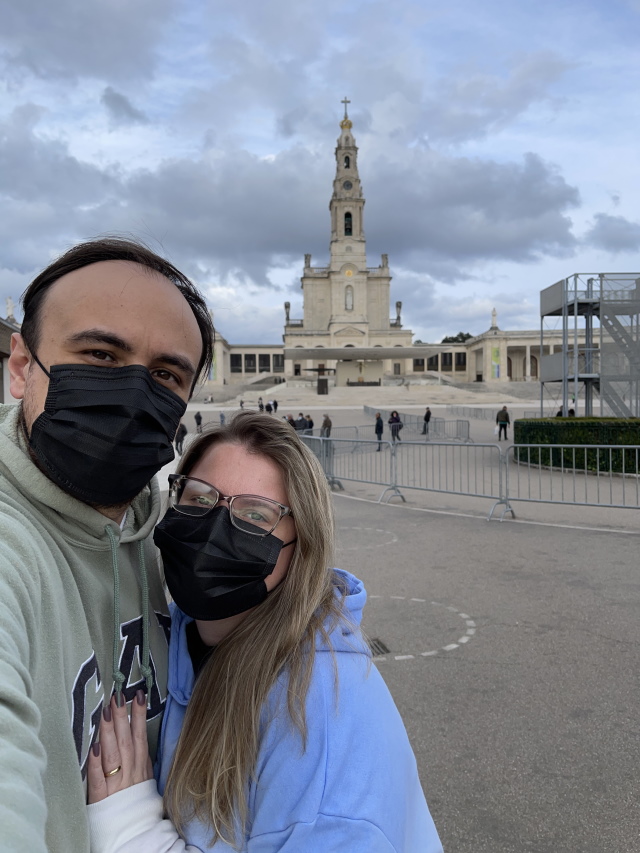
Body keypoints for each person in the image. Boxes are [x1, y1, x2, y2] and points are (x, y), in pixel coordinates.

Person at [86, 413, 443, 852]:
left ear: (300, 548)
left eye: (255, 515)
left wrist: (131, 831)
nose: (216, 529)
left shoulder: (324, 721)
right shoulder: (180, 635)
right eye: (199, 500)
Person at [0, 236, 214, 852]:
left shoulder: (160, 532)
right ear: (21, 366)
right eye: (99, 355)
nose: (132, 396)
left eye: (167, 375)